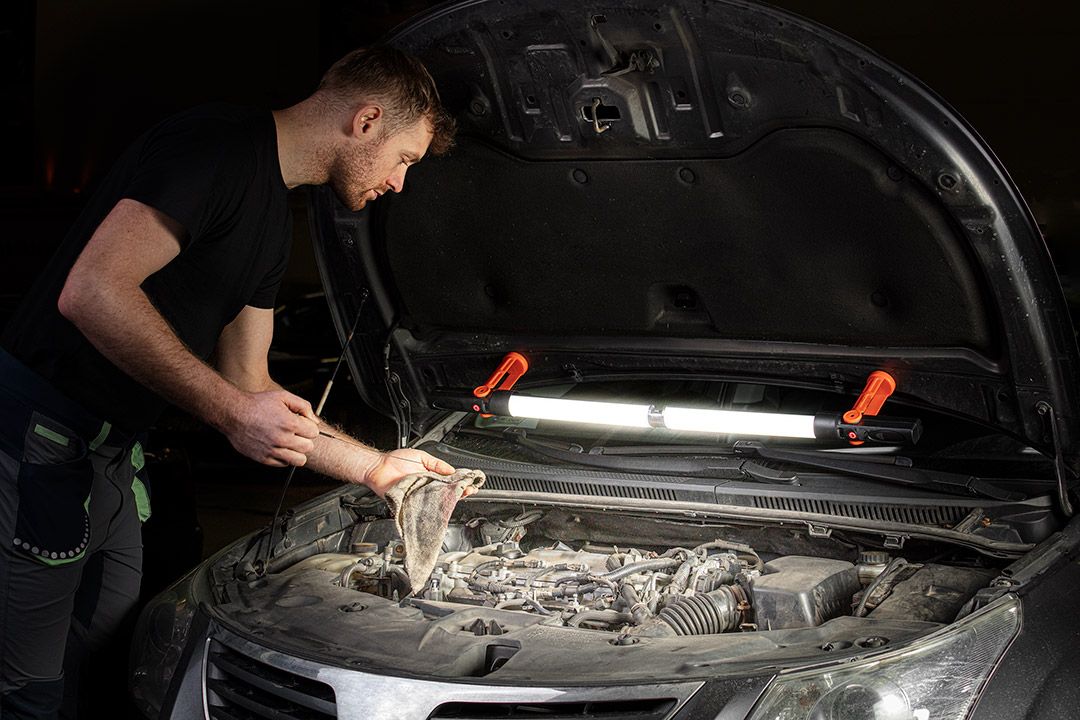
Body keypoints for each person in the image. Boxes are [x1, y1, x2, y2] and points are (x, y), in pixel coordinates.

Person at [0, 46, 459, 718]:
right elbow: (92, 291)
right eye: (404, 159)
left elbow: (249, 382)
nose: (398, 183)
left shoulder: (274, 220)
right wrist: (228, 412)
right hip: (34, 447)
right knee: (27, 693)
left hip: (110, 463)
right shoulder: (214, 147)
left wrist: (375, 468)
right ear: (365, 121)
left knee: (106, 669)